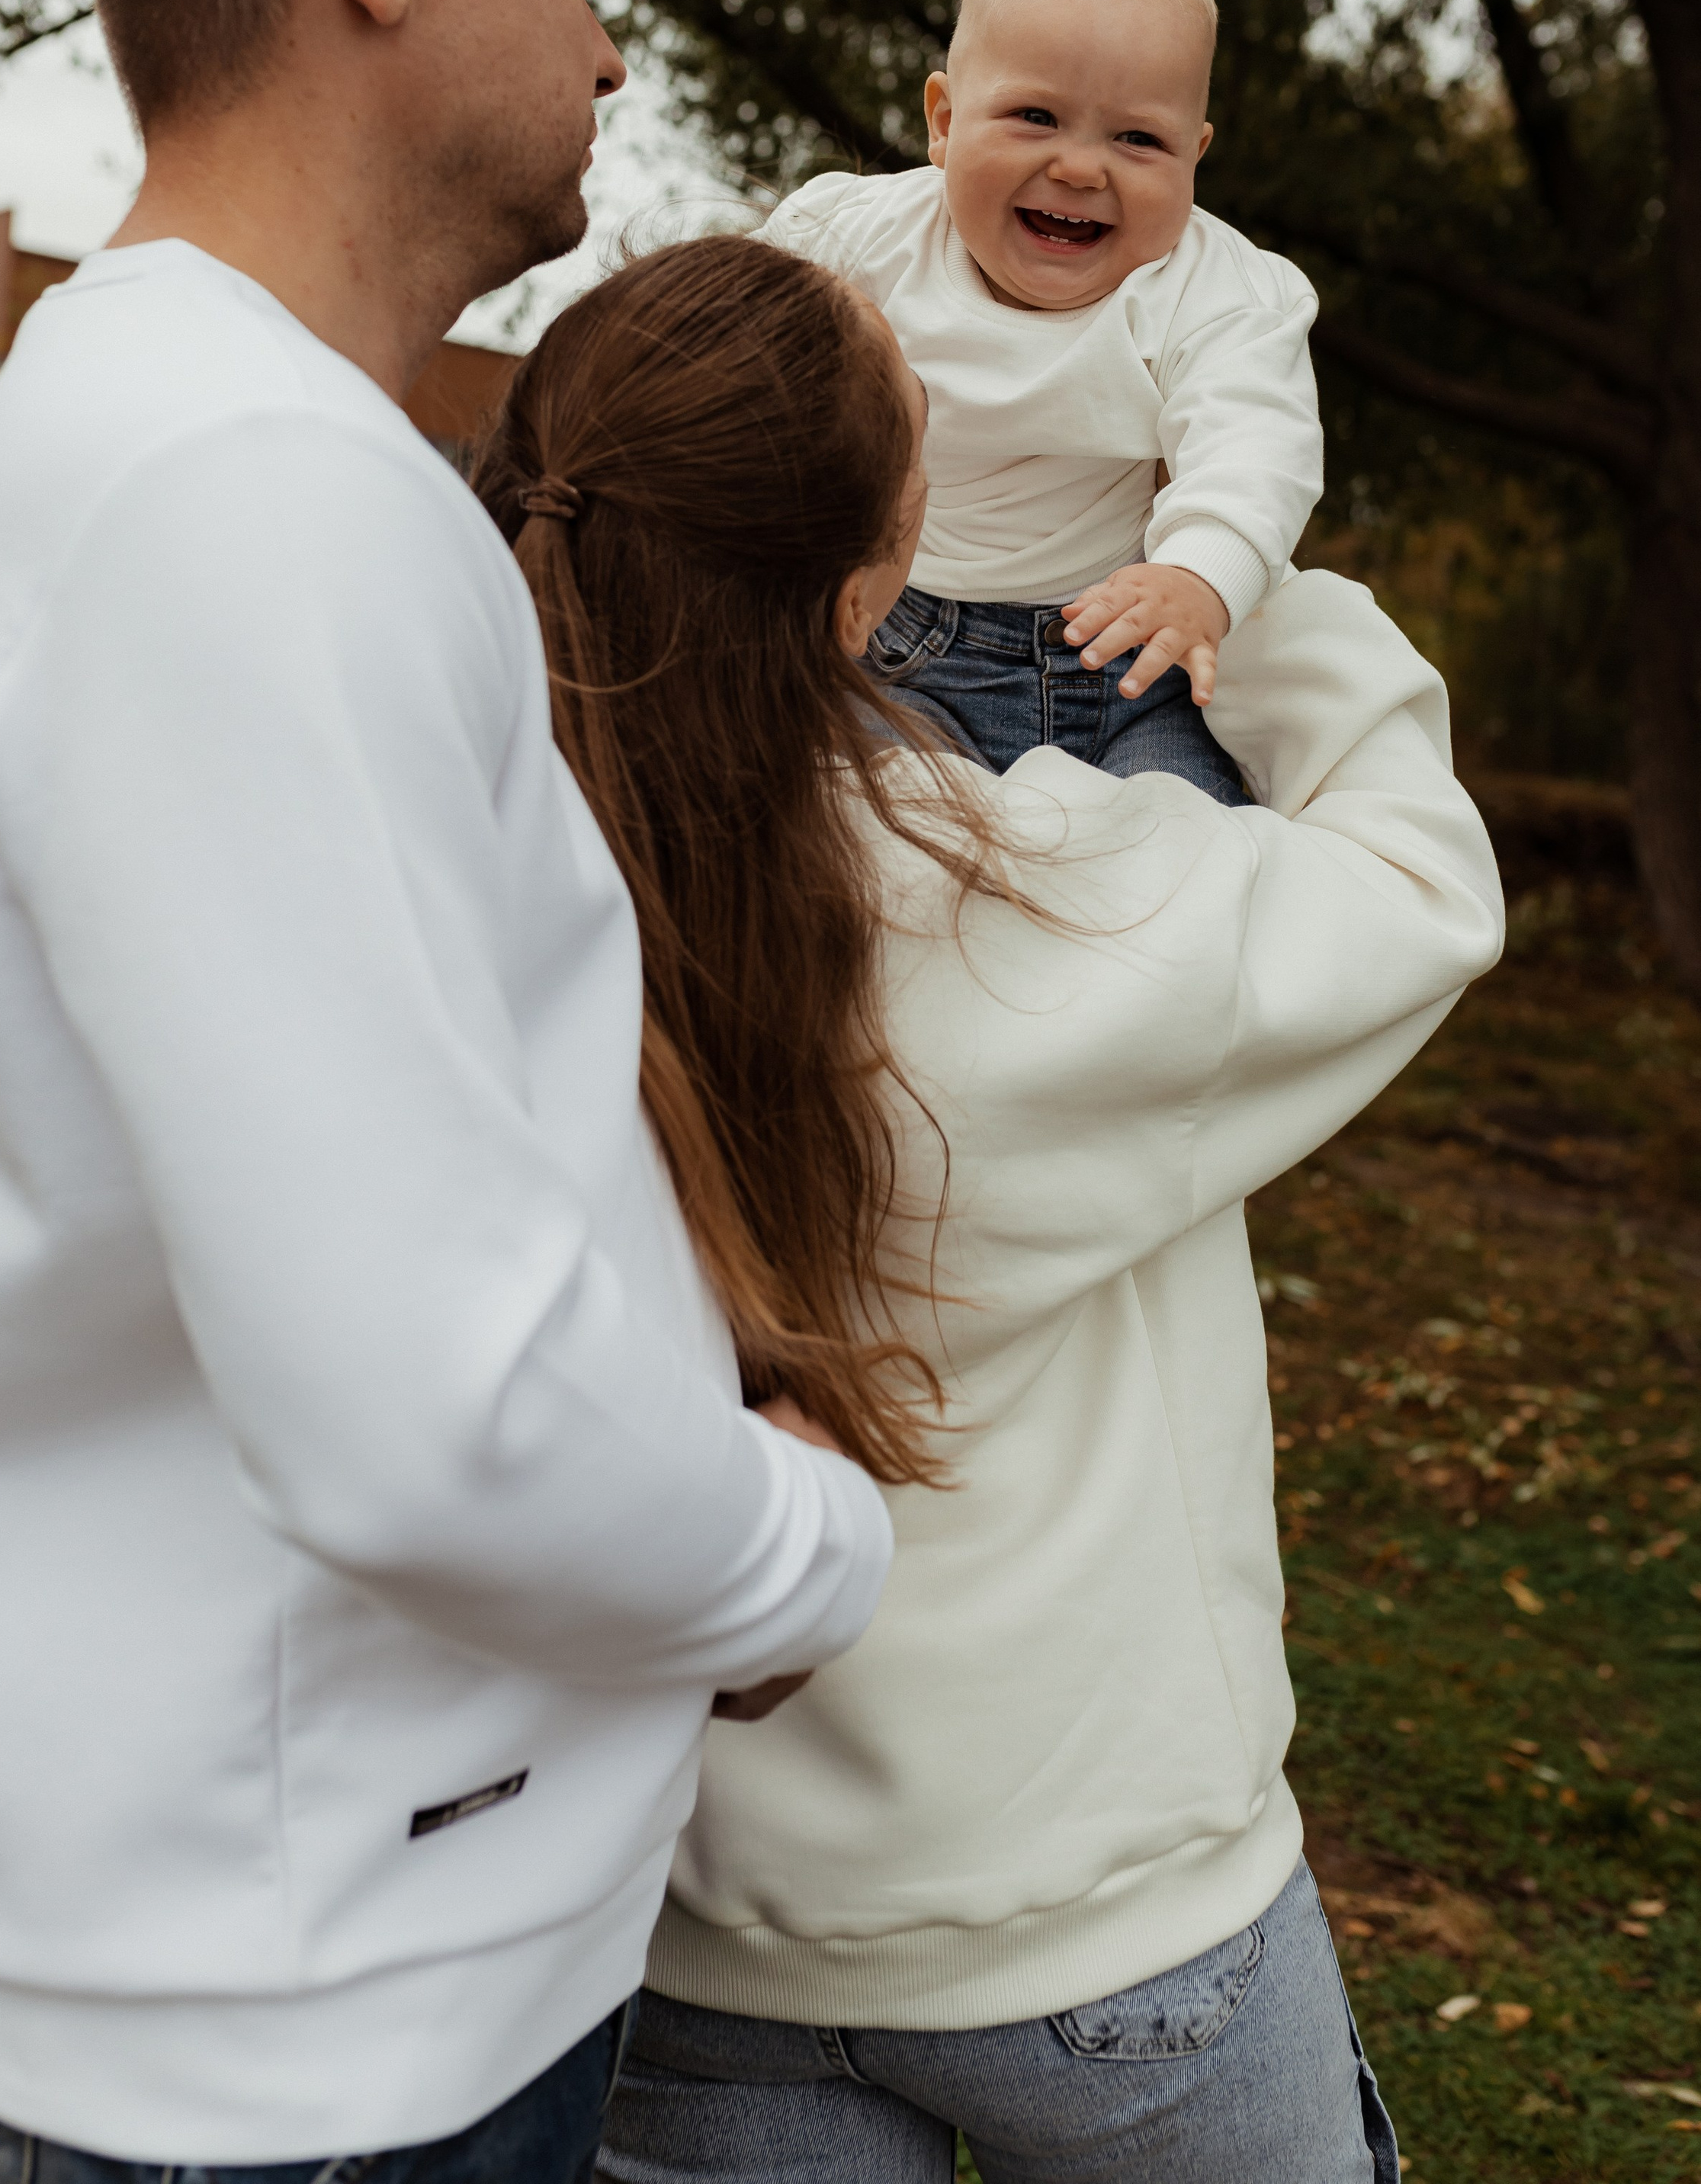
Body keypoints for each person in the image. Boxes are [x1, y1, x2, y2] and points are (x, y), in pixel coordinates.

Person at [0, 0, 894, 2184]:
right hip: (301, 2060)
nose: (616, 38)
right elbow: (434, 1422)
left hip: (311, 1969)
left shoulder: (206, 444)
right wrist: (800, 1552)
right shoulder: (242, 497)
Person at [471, 233, 1504, 2184]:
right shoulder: (1027, 893)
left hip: (687, 1923)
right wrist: (1216, 566)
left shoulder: (466, 905)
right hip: (1099, 1905)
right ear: (870, 582)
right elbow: (1415, 884)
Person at [760, 0, 1322, 798]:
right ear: (942, 122)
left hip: (1128, 658)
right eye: (1034, 117)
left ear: (1195, 156)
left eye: (1139, 138)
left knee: (1186, 842)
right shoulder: (862, 238)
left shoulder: (1213, 291)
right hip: (891, 641)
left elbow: (1255, 448)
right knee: (868, 824)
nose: (1080, 167)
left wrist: (1198, 575)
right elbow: (734, 343)